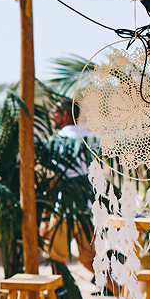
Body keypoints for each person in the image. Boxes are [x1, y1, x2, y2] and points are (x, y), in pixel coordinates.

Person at [45, 98, 95, 275]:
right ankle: (123, 296)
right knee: (90, 260)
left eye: (55, 113)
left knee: (56, 258)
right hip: (86, 209)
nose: (53, 117)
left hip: (65, 209)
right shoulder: (89, 137)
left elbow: (55, 177)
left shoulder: (60, 140)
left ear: (65, 115)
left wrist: (46, 215)